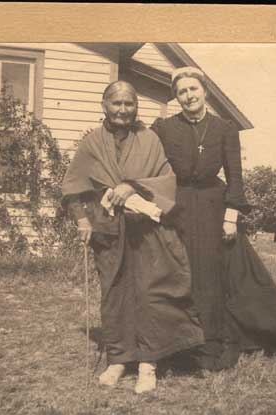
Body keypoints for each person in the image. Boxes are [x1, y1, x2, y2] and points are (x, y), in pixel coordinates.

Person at [151, 67, 276, 371]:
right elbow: (152, 166)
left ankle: (214, 340)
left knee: (214, 275)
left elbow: (235, 176)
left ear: (205, 91)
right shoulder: (164, 128)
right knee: (182, 271)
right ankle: (181, 342)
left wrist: (231, 216)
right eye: (182, 92)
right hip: (178, 206)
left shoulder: (224, 128)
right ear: (176, 97)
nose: (188, 96)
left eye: (193, 89)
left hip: (213, 207)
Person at [62, 80, 204, 393]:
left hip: (149, 229)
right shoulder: (91, 143)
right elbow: (73, 186)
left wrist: (133, 186)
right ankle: (118, 359)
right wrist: (82, 222)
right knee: (114, 292)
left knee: (151, 291)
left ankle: (148, 363)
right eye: (116, 103)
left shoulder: (150, 139)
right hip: (109, 228)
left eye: (129, 104)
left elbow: (167, 179)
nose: (123, 109)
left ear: (136, 107)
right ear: (104, 106)